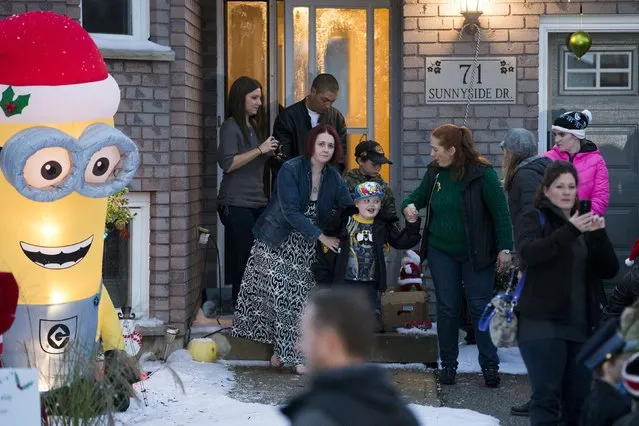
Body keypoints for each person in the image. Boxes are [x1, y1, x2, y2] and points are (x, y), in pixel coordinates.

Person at [232, 124, 353, 375]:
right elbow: (290, 212)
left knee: (300, 301)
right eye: (321, 144)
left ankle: (281, 352)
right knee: (284, 298)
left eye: (330, 145)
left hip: (307, 246)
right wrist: (322, 236)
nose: (326, 149)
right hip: (277, 239)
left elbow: (349, 206)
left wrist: (368, 221)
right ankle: (297, 359)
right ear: (311, 145)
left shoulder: (334, 177)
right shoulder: (291, 168)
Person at [402, 124, 514, 387]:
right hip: (442, 251)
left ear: (452, 150)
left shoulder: (482, 174)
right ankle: (449, 365)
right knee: (448, 308)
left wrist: (505, 248)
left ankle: (489, 365)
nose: (432, 154)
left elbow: (501, 214)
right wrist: (409, 206)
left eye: (435, 149)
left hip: (477, 253)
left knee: (480, 307)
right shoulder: (434, 173)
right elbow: (416, 197)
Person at [515, 161, 619, 426]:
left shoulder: (584, 225)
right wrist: (571, 230)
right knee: (547, 397)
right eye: (559, 186)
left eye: (571, 186)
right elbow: (532, 253)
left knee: (579, 402)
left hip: (581, 327)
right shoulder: (534, 218)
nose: (566, 192)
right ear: (546, 190)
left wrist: (598, 236)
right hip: (541, 324)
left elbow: (609, 270)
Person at [281, 288, 420, 426]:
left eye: (306, 336)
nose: (298, 346)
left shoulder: (318, 418)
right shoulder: (402, 415)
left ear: (330, 342)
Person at [312, 182, 421, 328]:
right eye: (367, 201)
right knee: (344, 322)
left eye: (376, 201)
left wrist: (412, 223)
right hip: (346, 281)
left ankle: (366, 344)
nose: (372, 205)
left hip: (370, 282)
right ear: (356, 203)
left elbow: (401, 242)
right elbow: (325, 239)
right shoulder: (344, 221)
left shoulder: (382, 225)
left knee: (369, 323)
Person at [500, 128, 551, 417]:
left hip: (537, 264)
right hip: (541, 261)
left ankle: (542, 398)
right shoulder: (542, 168)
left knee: (534, 334)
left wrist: (525, 261)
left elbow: (531, 219)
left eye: (505, 149)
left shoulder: (525, 176)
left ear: (513, 152)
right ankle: (544, 395)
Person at [216, 76, 278, 307]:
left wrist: (270, 152)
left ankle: (255, 305)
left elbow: (257, 158)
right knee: (244, 257)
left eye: (260, 97)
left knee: (259, 256)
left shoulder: (253, 126)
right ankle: (241, 309)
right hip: (235, 202)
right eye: (254, 97)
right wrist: (260, 150)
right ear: (240, 98)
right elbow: (228, 164)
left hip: (257, 201)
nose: (259, 102)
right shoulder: (231, 126)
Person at [578, 302, 639, 426]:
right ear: (608, 367)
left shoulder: (592, 400)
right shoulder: (614, 405)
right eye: (623, 360)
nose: (627, 364)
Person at [273, 73, 347, 170]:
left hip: (327, 181)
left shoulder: (337, 118)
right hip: (296, 180)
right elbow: (283, 157)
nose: (328, 105)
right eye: (324, 100)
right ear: (313, 91)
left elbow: (340, 156)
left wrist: (331, 179)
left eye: (332, 101)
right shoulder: (288, 117)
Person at [544, 109, 609, 216]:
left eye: (561, 134)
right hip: (553, 227)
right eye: (555, 134)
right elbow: (539, 194)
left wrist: (579, 218)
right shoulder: (547, 158)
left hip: (584, 226)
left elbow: (601, 198)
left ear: (575, 135)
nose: (556, 139)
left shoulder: (596, 161)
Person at [344, 140, 397, 222]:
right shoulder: (345, 183)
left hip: (379, 232)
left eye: (380, 164)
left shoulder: (383, 186)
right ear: (360, 161)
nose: (378, 168)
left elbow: (391, 218)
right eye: (374, 164)